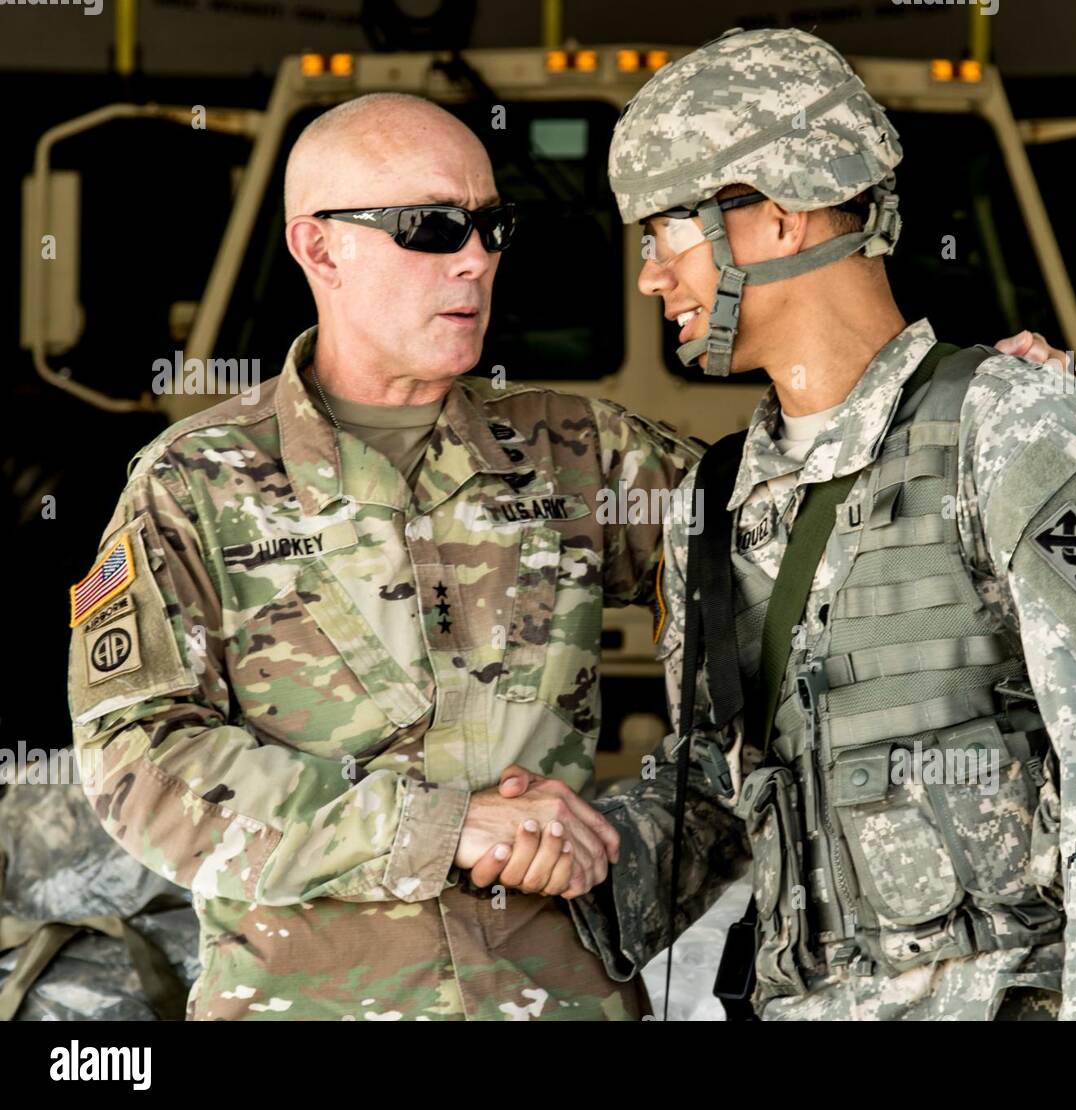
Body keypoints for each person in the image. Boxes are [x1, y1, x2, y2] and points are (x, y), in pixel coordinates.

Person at [495, 27, 1076, 1021]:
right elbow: (726, 796)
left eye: (664, 230)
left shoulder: (1012, 430)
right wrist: (551, 854)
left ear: (780, 218)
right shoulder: (724, 500)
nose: (649, 277)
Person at [65, 92, 687, 1021]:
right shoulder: (193, 483)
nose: (477, 258)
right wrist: (443, 828)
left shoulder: (581, 453)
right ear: (320, 248)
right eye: (432, 227)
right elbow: (137, 761)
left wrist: (967, 400)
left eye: (491, 225)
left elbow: (805, 560)